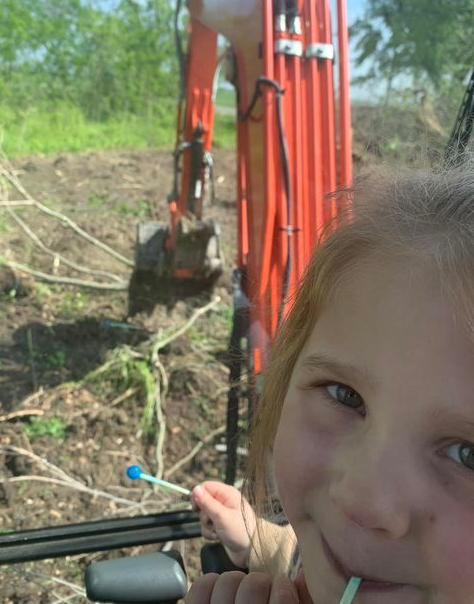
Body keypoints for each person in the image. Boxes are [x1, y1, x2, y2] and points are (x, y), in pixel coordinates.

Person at [186, 163, 474, 603]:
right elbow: (314, 563)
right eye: (346, 396)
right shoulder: (369, 559)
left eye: (467, 454)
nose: (360, 500)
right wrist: (257, 540)